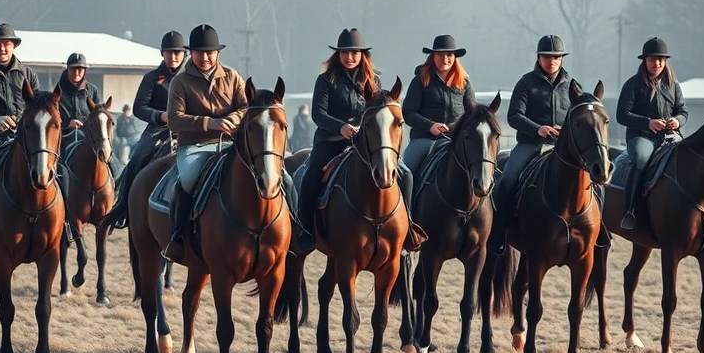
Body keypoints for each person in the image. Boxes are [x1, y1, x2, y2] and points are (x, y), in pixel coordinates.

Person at [162, 24, 305, 261]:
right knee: (186, 180)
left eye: (210, 53)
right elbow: (175, 120)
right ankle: (177, 237)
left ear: (218, 53)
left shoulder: (232, 77)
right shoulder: (180, 82)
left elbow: (246, 108)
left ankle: (298, 230)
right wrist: (210, 123)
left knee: (285, 178)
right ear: (191, 53)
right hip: (195, 146)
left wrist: (232, 119)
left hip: (232, 143)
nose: (205, 58)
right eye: (200, 53)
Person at [295, 28, 425, 254]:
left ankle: (408, 228)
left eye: (354, 52)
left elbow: (379, 112)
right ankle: (305, 231)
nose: (349, 57)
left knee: (406, 175)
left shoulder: (374, 80)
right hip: (331, 140)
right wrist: (341, 127)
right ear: (338, 54)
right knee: (310, 176)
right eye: (345, 52)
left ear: (363, 55)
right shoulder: (325, 80)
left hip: (366, 143)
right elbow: (318, 114)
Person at [0, 23, 76, 246]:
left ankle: (67, 224)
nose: (2, 48)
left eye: (6, 44)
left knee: (60, 170)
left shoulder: (27, 74)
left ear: (14, 46)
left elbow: (38, 106)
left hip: (21, 136)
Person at [489, 35, 573, 254]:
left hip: (561, 147)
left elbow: (577, 118)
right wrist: (538, 129)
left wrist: (566, 130)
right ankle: (499, 233)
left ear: (561, 59)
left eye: (556, 57)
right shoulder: (525, 83)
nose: (551, 61)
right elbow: (514, 116)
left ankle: (599, 229)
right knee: (507, 179)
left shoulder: (572, 86)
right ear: (538, 58)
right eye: (547, 57)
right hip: (530, 145)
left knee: (591, 181)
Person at [108, 31, 187, 229]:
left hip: (187, 129)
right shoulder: (151, 78)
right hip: (158, 129)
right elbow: (139, 108)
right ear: (162, 53)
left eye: (177, 52)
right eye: (169, 52)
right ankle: (123, 207)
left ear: (184, 54)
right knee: (137, 158)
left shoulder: (190, 78)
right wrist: (160, 116)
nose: (173, 56)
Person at [616, 37, 688, 230]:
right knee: (641, 160)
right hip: (641, 137)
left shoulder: (673, 85)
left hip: (670, 137)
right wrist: (648, 123)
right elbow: (621, 115)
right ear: (645, 60)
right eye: (653, 59)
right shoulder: (632, 85)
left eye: (661, 59)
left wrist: (677, 121)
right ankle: (630, 210)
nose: (657, 63)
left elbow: (683, 111)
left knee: (692, 158)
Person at [401, 34, 475, 177]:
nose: (445, 58)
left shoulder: (464, 83)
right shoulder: (420, 81)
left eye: (449, 55)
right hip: (423, 139)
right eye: (440, 54)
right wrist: (430, 125)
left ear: (455, 58)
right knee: (405, 174)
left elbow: (472, 114)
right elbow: (408, 112)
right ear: (433, 57)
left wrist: (453, 127)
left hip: (456, 140)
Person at [56, 52, 101, 157]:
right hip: (64, 138)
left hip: (88, 138)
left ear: (85, 71)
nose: (76, 73)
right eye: (73, 69)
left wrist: (85, 125)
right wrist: (67, 125)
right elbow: (52, 118)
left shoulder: (92, 90)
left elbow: (98, 116)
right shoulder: (57, 91)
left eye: (80, 70)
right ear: (67, 70)